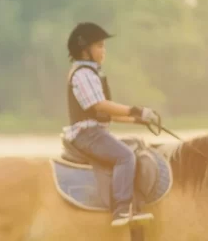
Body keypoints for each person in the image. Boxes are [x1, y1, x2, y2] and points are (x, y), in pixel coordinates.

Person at [64, 22, 159, 227]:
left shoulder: (93, 74)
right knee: (125, 156)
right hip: (87, 134)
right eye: (99, 46)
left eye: (103, 46)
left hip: (95, 131)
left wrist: (138, 120)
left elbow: (107, 114)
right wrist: (136, 110)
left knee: (137, 146)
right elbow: (99, 104)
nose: (103, 51)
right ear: (85, 50)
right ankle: (121, 210)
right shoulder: (83, 74)